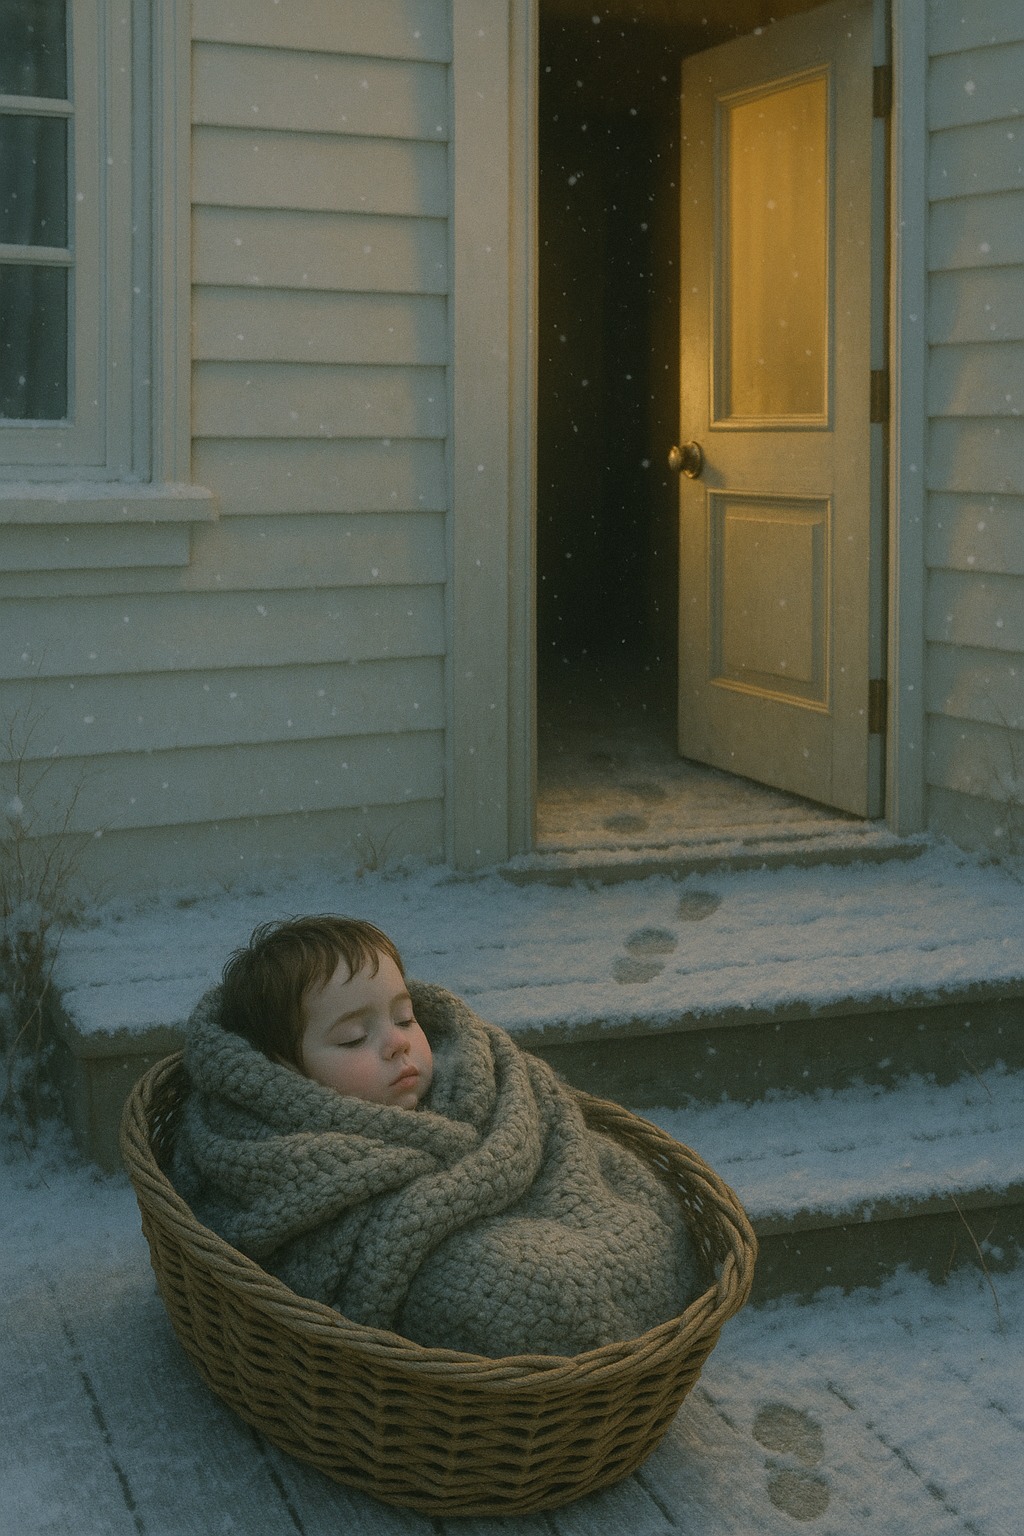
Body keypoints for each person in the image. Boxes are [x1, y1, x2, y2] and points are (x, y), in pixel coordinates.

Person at [173, 914, 703, 1358]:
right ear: (285, 1072)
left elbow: (550, 1132)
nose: (397, 1044)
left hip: (536, 1212)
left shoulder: (469, 1080)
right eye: (354, 1037)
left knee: (629, 1212)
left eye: (404, 1018)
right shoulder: (281, 1150)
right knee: (514, 1293)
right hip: (468, 1257)